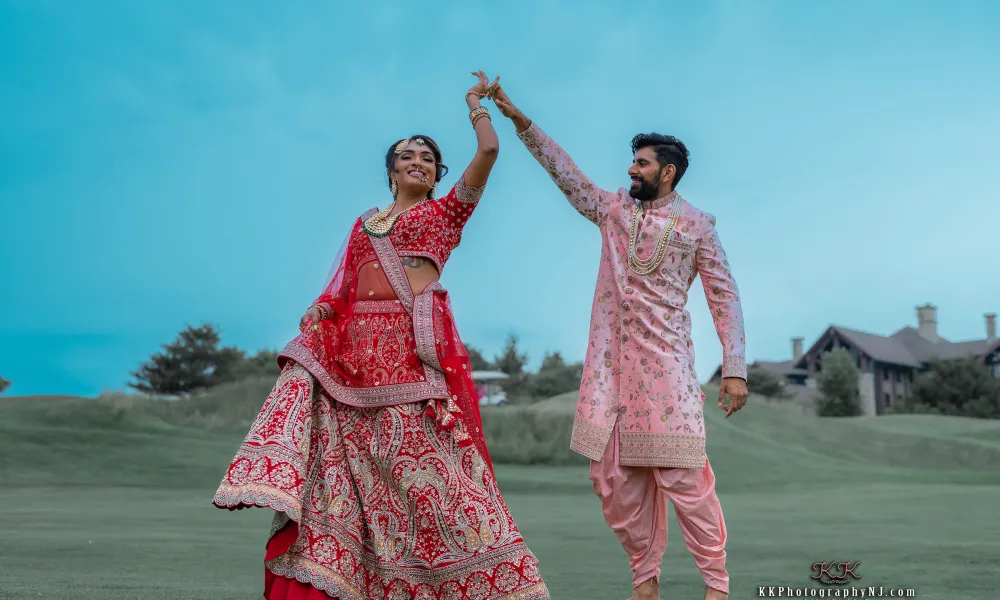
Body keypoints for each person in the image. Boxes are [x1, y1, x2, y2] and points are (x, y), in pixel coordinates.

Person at [213, 72, 550, 600]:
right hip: (353, 362)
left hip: (411, 358)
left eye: (428, 158)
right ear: (391, 171)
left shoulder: (446, 215)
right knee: (349, 479)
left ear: (438, 175)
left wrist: (477, 106)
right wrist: (321, 308)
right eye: (406, 155)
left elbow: (489, 150)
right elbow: (344, 288)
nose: (417, 162)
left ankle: (480, 580)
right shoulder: (364, 224)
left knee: (431, 484)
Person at [491, 86, 749, 600]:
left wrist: (735, 367)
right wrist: (522, 122)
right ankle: (645, 580)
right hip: (610, 371)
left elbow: (725, 296)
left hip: (668, 369)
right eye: (631, 163)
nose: (631, 170)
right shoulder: (612, 212)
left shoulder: (698, 226)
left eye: (641, 164)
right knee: (613, 481)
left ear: (667, 172)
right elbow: (565, 174)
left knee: (685, 482)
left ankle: (716, 587)